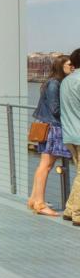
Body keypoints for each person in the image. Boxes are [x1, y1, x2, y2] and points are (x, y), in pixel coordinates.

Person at [28, 55, 74, 216]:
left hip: (46, 127)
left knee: (43, 165)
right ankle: (40, 203)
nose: (72, 67)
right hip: (53, 129)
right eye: (69, 65)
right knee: (46, 166)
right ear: (61, 66)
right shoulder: (55, 84)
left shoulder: (50, 82)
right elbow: (55, 109)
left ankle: (34, 199)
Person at [61, 48, 80, 225]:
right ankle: (78, 213)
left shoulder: (66, 81)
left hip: (69, 134)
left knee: (79, 173)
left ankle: (69, 209)